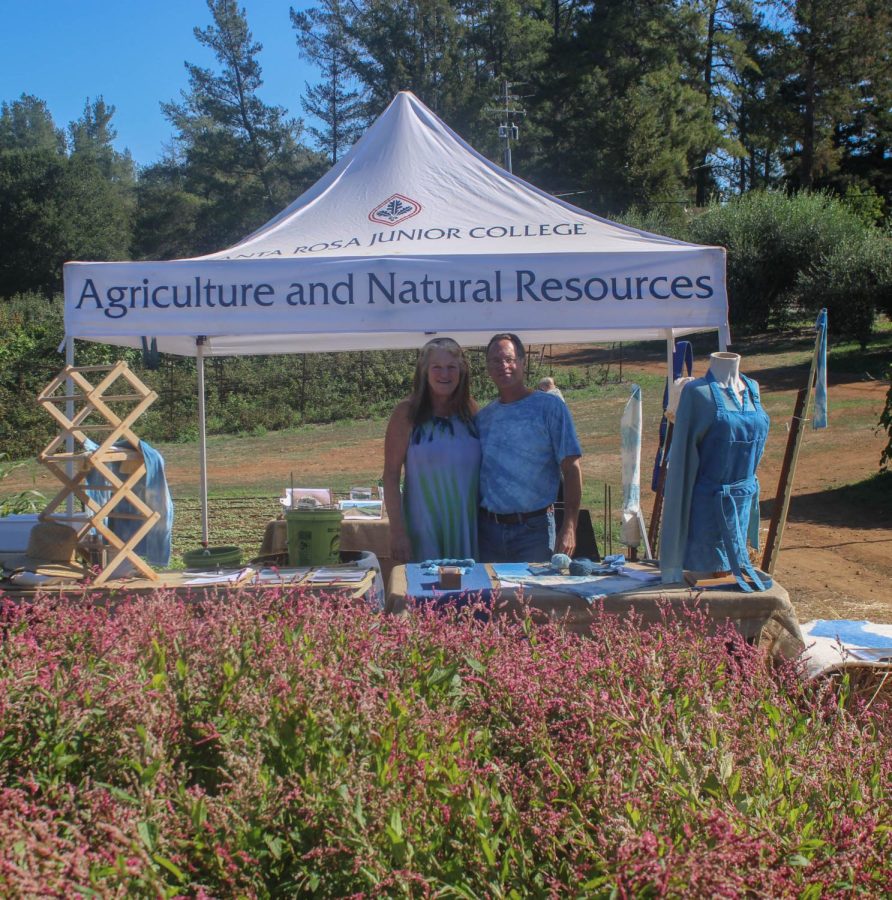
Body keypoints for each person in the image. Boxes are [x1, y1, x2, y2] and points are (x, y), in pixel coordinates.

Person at [659, 351, 771, 592]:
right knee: (708, 591)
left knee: (737, 587)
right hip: (709, 512)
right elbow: (680, 465)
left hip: (742, 504)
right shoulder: (697, 393)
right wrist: (670, 559)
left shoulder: (753, 389)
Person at [477, 333, 583, 562]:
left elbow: (572, 468)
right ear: (487, 367)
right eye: (495, 361)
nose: (503, 366)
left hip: (534, 533)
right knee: (492, 598)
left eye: (509, 359)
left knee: (535, 598)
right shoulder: (483, 418)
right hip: (488, 534)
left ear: (523, 363)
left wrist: (570, 526)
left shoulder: (550, 408)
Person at [383, 337, 480, 563]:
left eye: (451, 367)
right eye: (437, 367)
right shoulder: (406, 414)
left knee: (470, 595)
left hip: (467, 528)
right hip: (422, 529)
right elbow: (390, 476)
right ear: (424, 372)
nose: (444, 374)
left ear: (462, 371)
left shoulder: (472, 411)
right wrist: (397, 532)